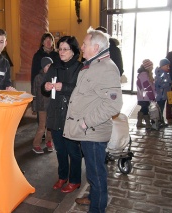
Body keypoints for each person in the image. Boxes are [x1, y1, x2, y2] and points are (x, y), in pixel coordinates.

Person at [63, 27, 123, 212]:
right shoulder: (94, 64)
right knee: (92, 172)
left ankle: (97, 208)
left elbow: (113, 105)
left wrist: (86, 122)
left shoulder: (106, 69)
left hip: (94, 133)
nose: (81, 47)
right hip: (88, 132)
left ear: (96, 47)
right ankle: (92, 198)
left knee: (97, 176)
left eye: (85, 44)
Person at [41, 36, 83, 193]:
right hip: (55, 112)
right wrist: (45, 86)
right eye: (60, 49)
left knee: (73, 150)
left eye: (66, 49)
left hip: (71, 114)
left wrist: (63, 87)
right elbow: (43, 88)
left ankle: (75, 180)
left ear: (73, 51)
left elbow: (82, 91)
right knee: (60, 149)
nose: (62, 52)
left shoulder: (80, 68)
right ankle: (62, 176)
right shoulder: (54, 66)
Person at [31, 57, 53, 154]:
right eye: (48, 65)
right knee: (42, 126)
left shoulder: (53, 77)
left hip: (51, 105)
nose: (50, 67)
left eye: (51, 65)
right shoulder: (38, 78)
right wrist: (34, 107)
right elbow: (34, 93)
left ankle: (49, 142)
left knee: (50, 126)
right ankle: (36, 144)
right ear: (43, 66)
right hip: (42, 106)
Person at [136, 59, 156, 129]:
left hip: (143, 96)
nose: (152, 68)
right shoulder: (144, 75)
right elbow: (147, 87)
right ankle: (147, 124)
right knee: (145, 109)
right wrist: (152, 97)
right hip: (145, 96)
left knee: (144, 109)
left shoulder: (143, 74)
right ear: (148, 67)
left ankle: (140, 123)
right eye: (151, 66)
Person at [155, 58, 172, 126]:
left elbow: (168, 80)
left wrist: (171, 83)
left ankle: (161, 121)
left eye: (169, 66)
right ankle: (158, 121)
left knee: (161, 109)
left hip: (164, 94)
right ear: (162, 66)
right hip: (161, 95)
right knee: (160, 109)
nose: (168, 67)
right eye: (167, 66)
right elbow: (159, 84)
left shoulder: (166, 73)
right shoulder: (160, 74)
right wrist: (169, 84)